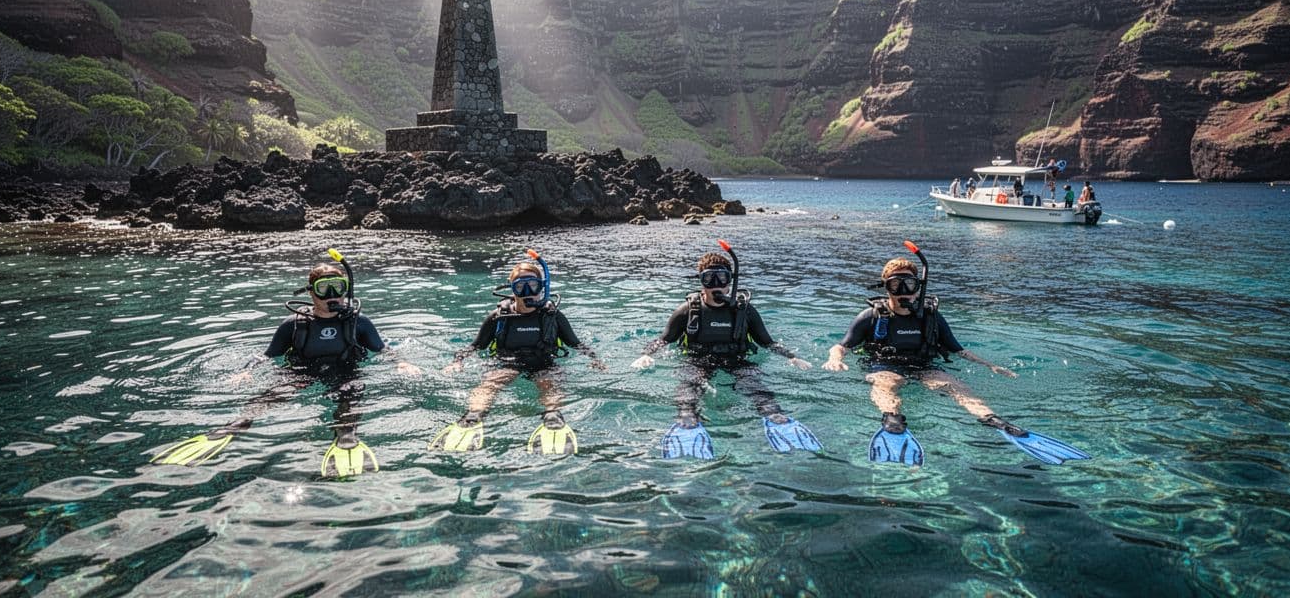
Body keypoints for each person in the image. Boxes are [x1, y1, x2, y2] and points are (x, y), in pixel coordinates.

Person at [151, 250, 419, 477]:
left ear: (346, 290)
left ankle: (346, 439)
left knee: (349, 399)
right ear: (311, 294)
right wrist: (247, 371)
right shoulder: (293, 325)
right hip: (302, 371)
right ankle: (231, 428)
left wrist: (401, 363)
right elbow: (267, 355)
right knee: (274, 395)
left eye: (338, 288)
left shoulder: (358, 322)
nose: (332, 296)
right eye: (323, 290)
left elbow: (382, 349)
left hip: (346, 371)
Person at [823, 243, 1089, 467]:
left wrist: (990, 365)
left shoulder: (931, 317)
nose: (904, 292)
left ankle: (995, 421)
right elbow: (842, 345)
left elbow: (957, 349)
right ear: (885, 288)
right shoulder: (871, 316)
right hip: (883, 365)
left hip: (923, 365)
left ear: (919, 287)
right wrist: (835, 358)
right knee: (888, 382)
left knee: (951, 384)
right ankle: (893, 423)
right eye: (896, 285)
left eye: (909, 284)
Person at [631, 241, 819, 459]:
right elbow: (664, 339)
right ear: (701, 282)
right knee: (688, 387)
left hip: (736, 359)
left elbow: (767, 342)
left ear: (730, 282)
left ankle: (778, 420)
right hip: (697, 359)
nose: (716, 285)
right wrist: (646, 354)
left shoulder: (744, 311)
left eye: (722, 278)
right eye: (708, 279)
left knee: (754, 385)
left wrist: (792, 357)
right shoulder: (687, 311)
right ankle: (687, 423)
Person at [431, 250, 605, 456]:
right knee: (492, 381)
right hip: (507, 363)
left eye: (533, 285)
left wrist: (595, 359)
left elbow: (577, 344)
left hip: (544, 363)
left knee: (548, 382)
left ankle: (552, 418)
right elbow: (475, 346)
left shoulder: (553, 316)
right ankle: (472, 418)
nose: (527, 292)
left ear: (542, 288)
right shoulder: (499, 317)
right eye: (520, 287)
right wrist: (457, 361)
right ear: (512, 290)